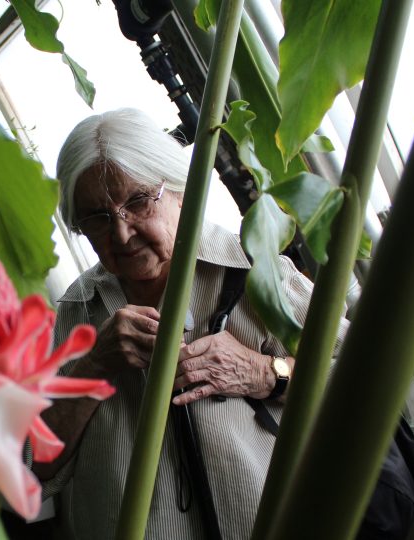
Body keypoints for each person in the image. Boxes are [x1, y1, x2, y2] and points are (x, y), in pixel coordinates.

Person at [33, 108, 345, 539]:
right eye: (97, 218)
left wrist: (263, 372)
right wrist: (94, 367)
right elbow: (36, 461)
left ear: (180, 189)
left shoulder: (252, 269)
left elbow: (362, 381)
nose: (121, 234)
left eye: (138, 201)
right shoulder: (77, 310)